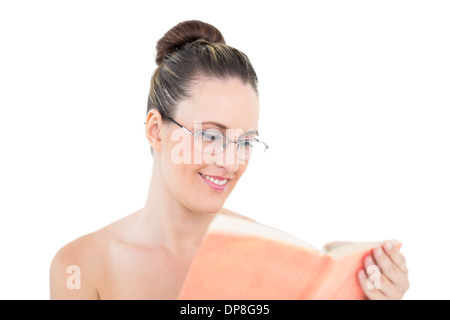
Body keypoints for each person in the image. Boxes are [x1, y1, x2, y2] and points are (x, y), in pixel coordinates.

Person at [50, 20, 409, 300]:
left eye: (245, 142)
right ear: (156, 131)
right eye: (210, 135)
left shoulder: (271, 255)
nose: (230, 161)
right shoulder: (82, 265)